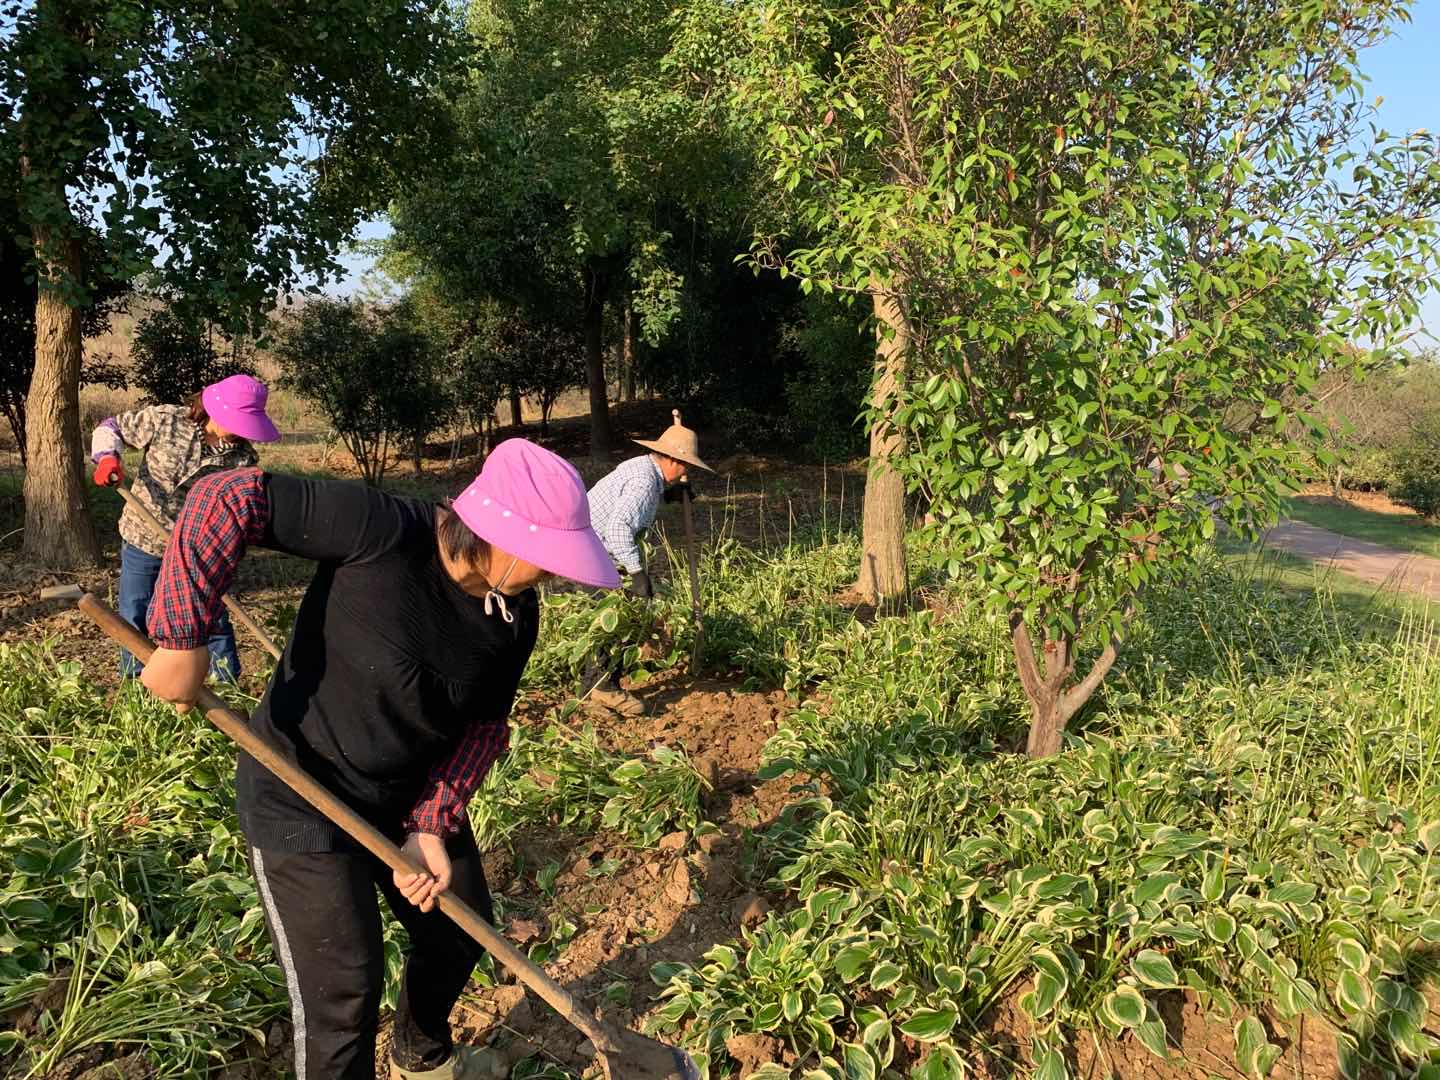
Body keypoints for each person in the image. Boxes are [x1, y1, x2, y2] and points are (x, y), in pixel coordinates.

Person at [138, 439, 619, 1080]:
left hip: (404, 794)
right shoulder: (383, 530)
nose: (555, 575)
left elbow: (481, 729)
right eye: (548, 558)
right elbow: (226, 497)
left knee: (460, 927)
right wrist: (181, 635)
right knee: (344, 988)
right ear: (496, 534)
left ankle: (419, 1057)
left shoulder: (514, 615)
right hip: (300, 788)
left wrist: (429, 822)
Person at [91, 374, 281, 681]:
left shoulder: (243, 459)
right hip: (145, 537)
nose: (240, 432)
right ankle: (136, 689)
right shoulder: (166, 420)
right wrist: (106, 458)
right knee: (135, 613)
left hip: (201, 551)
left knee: (212, 618)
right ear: (216, 410)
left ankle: (227, 689)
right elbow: (109, 428)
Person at [581, 410, 712, 717]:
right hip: (596, 551)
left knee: (612, 621)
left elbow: (633, 503)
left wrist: (671, 493)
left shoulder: (645, 471)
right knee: (615, 620)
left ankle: (593, 690)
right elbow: (618, 529)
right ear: (674, 461)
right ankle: (601, 689)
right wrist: (637, 573)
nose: (684, 473)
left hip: (591, 546)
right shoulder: (643, 481)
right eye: (685, 467)